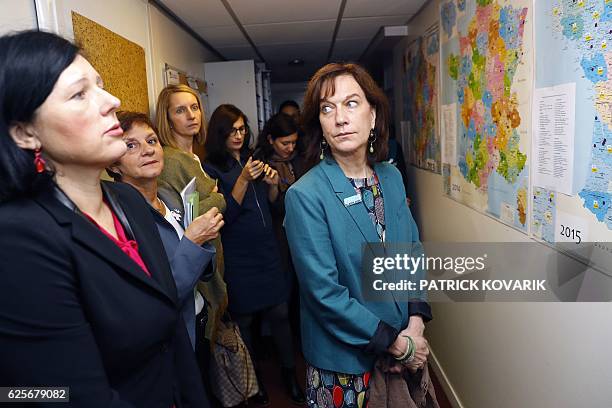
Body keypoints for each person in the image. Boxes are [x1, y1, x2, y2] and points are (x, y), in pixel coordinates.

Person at [0, 30, 208, 407]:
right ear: (25, 132)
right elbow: (62, 396)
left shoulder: (126, 199)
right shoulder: (18, 239)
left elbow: (171, 330)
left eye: (100, 86)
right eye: (80, 94)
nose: (111, 101)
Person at [283, 62, 432, 407]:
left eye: (351, 103)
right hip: (345, 367)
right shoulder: (305, 195)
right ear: (319, 124)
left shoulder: (391, 179)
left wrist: (415, 324)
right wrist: (397, 346)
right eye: (327, 108)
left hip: (403, 341)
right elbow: (325, 294)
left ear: (374, 114)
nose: (340, 118)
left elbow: (412, 253)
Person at [203, 104, 306, 405]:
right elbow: (227, 214)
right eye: (232, 130)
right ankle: (253, 379)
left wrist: (273, 187)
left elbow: (272, 207)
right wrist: (244, 179)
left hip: (266, 250)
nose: (238, 135)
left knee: (280, 313)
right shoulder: (212, 167)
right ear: (220, 133)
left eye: (242, 128)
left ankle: (289, 374)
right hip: (238, 253)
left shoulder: (254, 158)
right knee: (245, 320)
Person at [107, 111, 224, 352]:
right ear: (113, 164)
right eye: (131, 145)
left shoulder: (170, 195)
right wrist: (194, 241)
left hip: (199, 319)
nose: (148, 150)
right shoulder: (119, 219)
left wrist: (203, 240)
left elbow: (203, 270)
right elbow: (156, 297)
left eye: (151, 141)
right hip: (170, 340)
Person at [155, 84, 227, 396]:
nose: (191, 115)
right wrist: (220, 200)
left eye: (194, 107)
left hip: (210, 254)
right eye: (180, 110)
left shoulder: (192, 156)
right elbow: (189, 214)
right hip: (194, 265)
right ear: (167, 119)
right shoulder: (171, 160)